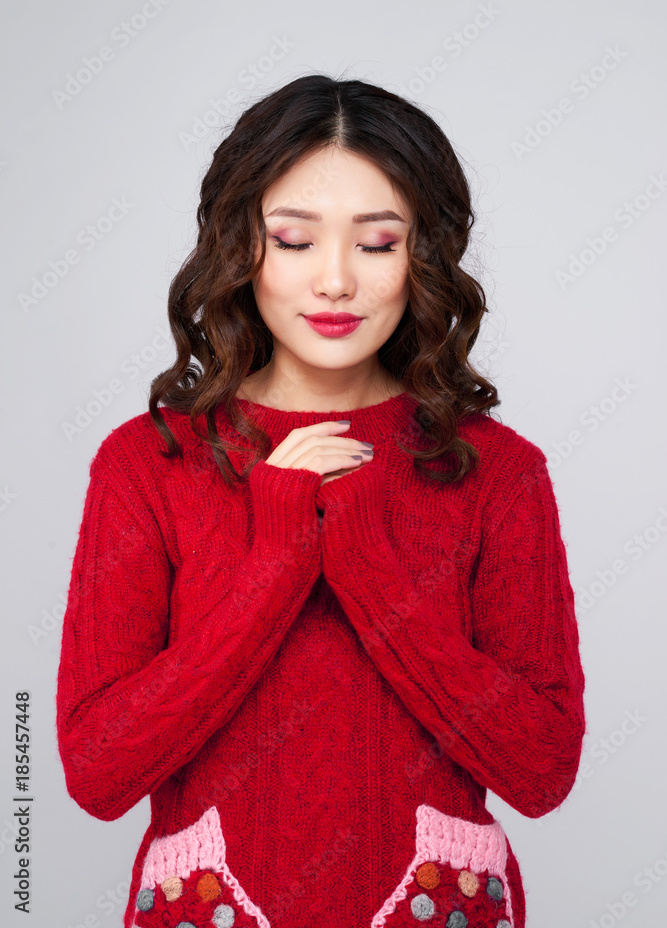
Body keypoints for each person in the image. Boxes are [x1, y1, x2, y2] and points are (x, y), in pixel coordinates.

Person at [56, 74, 586, 928]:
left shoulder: (497, 471)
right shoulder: (148, 462)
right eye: (293, 240)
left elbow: (541, 771)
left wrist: (366, 564)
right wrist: (277, 563)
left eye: (377, 244)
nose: (335, 281)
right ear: (239, 248)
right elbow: (99, 774)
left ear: (423, 257)